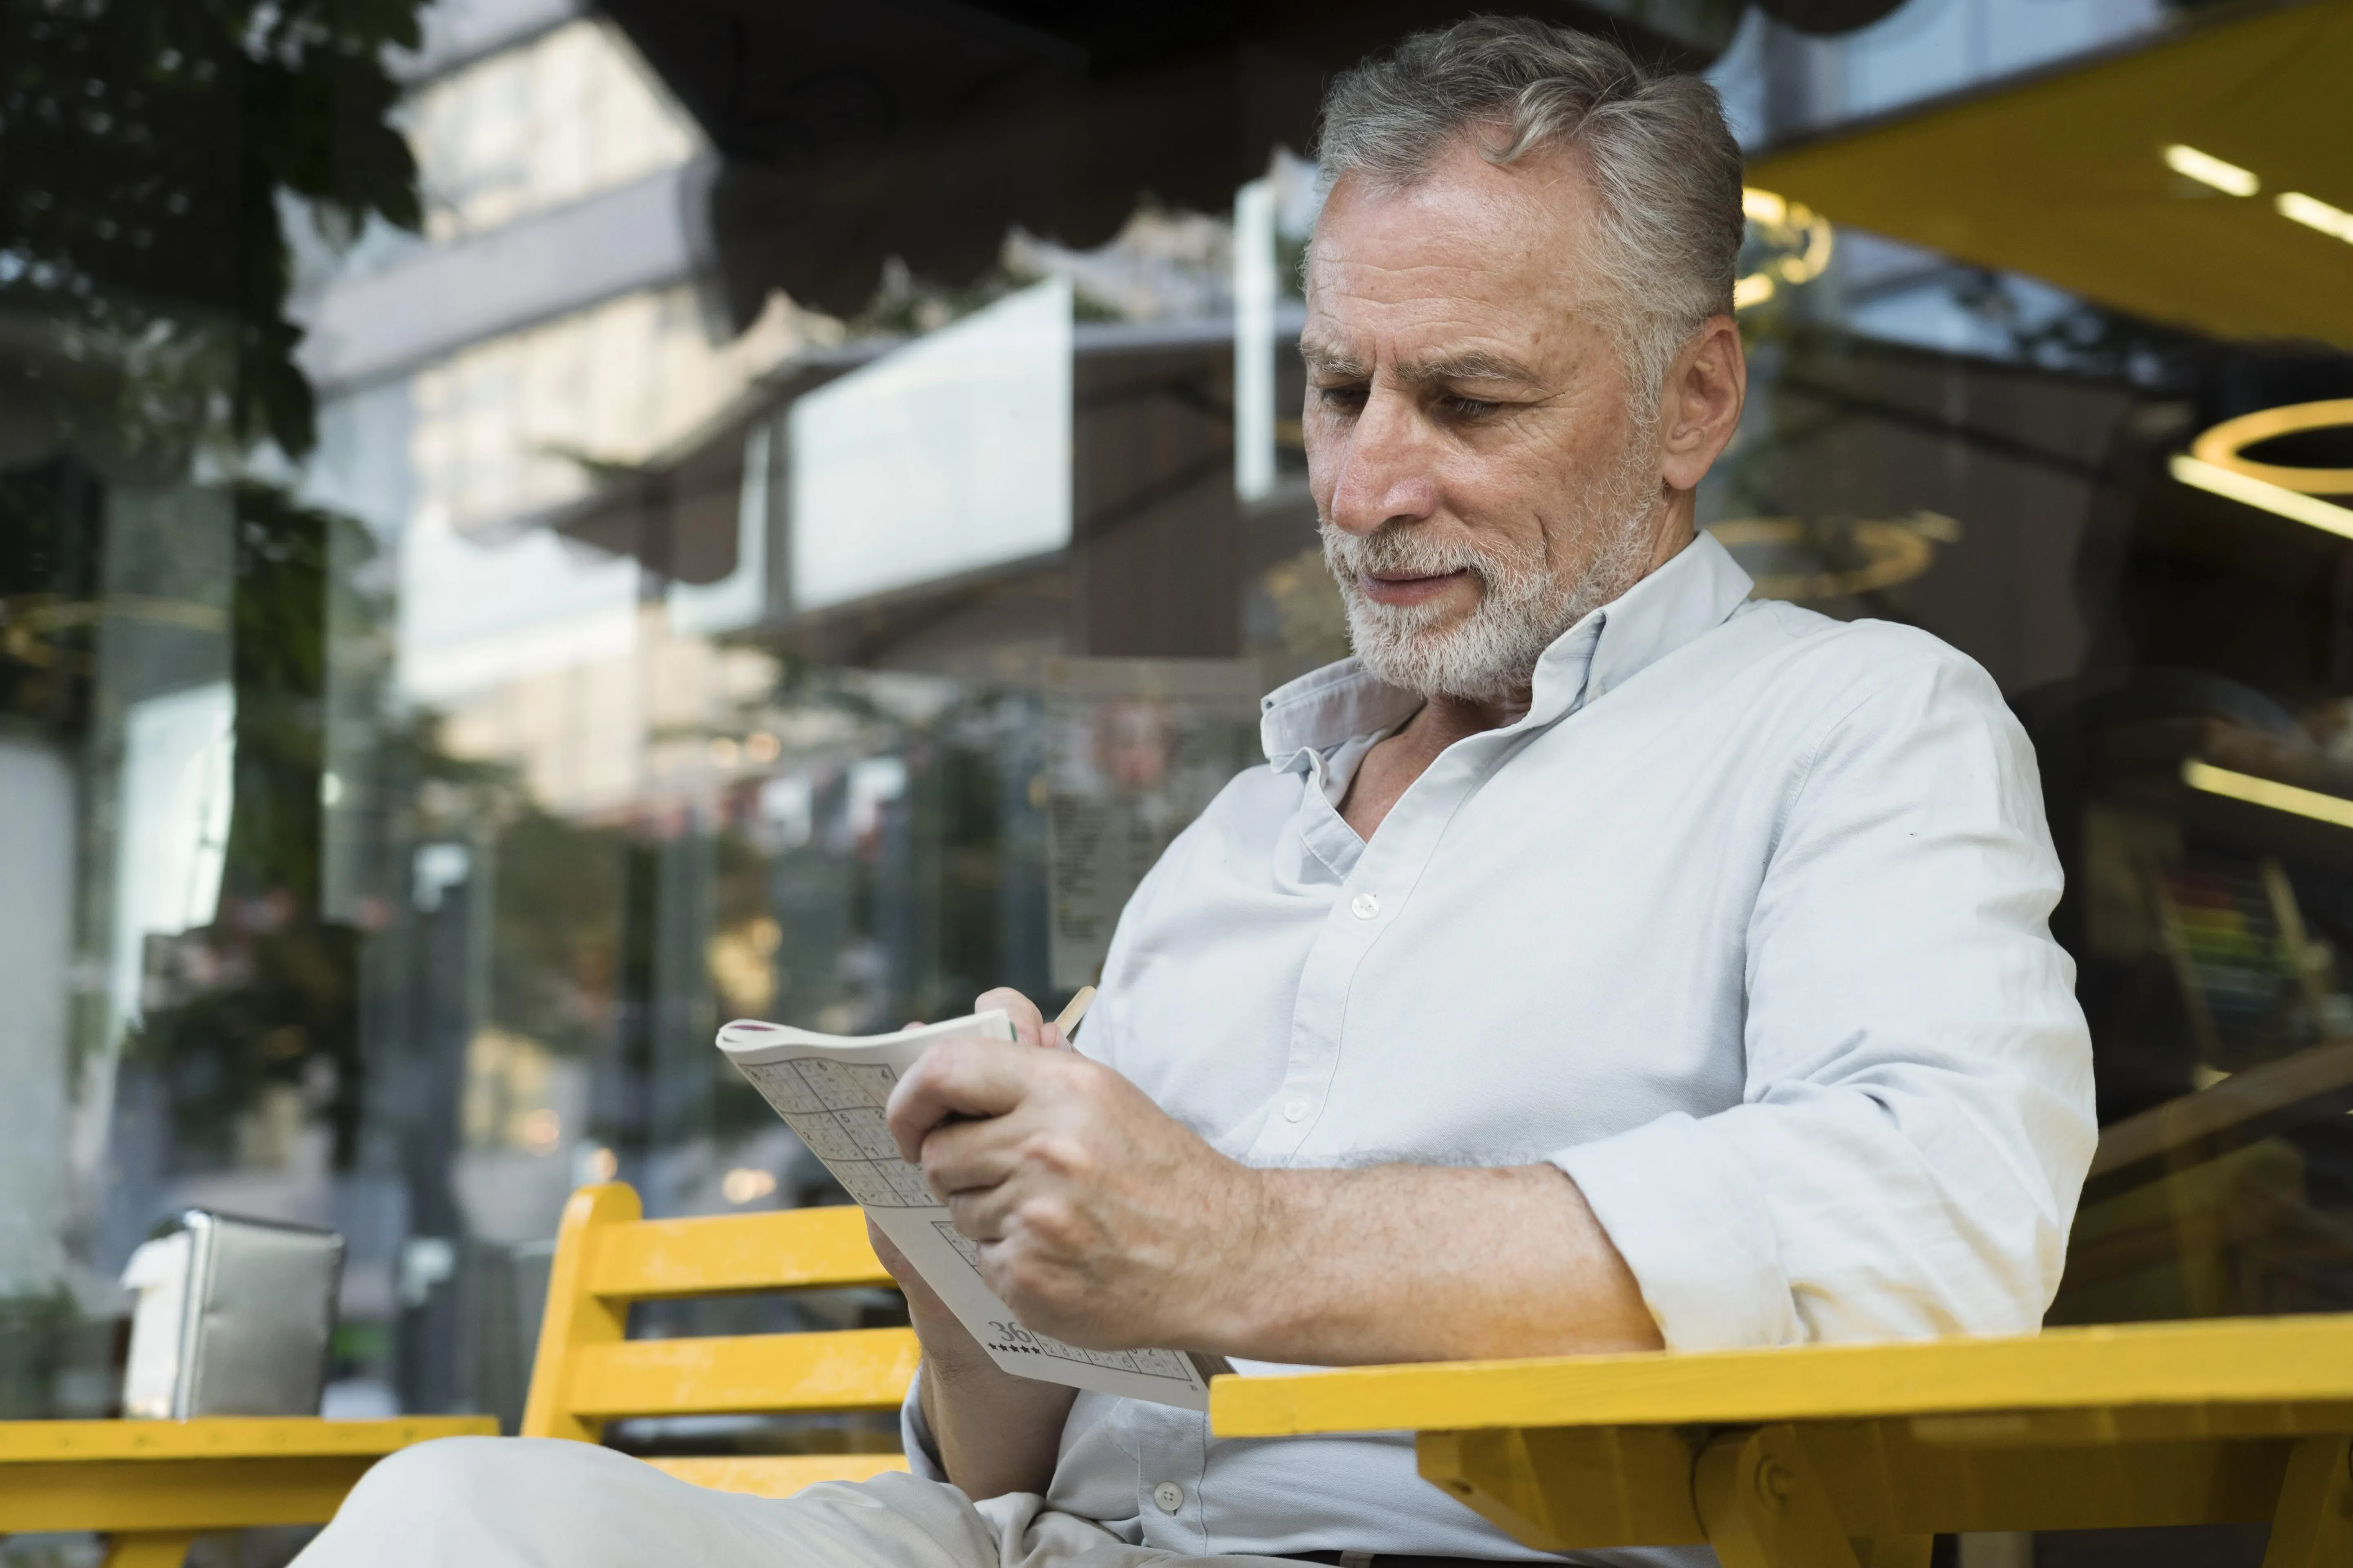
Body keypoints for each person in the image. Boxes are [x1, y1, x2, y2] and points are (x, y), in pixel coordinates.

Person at [297, 17, 2094, 1568]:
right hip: (1024, 1532)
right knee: (450, 1510)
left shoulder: (1853, 724)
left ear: (1692, 398)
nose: (1370, 480)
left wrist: (1234, 1245)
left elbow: (1933, 1221)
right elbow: (1013, 1450)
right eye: (1336, 387)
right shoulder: (1241, 832)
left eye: (1467, 400)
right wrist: (969, 1245)